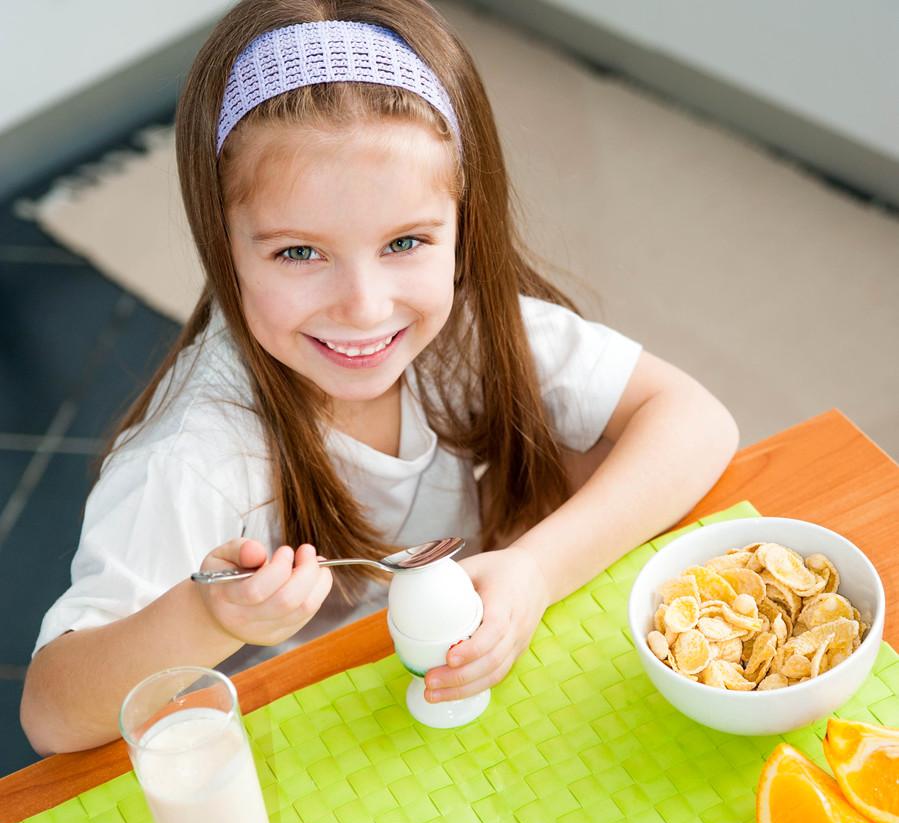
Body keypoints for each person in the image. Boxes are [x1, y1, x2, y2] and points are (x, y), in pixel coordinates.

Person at [21, 0, 738, 755]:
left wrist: (533, 569)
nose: (364, 308)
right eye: (299, 252)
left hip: (481, 667)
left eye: (404, 241)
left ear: (463, 223)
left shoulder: (463, 331)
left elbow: (696, 421)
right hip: (326, 730)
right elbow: (52, 712)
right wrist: (210, 618)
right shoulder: (194, 452)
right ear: (221, 242)